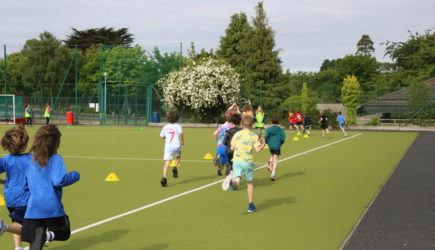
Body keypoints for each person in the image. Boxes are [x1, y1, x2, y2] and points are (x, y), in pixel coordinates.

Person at [21, 124, 80, 250]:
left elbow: (26, 183)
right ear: (56, 142)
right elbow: (58, 180)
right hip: (51, 207)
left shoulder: (31, 160)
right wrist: (74, 175)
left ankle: (41, 235)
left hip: (33, 208)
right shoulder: (56, 159)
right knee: (64, 232)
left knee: (35, 243)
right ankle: (47, 235)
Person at [222, 115, 265, 213]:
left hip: (236, 161)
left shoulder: (237, 134)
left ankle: (232, 182)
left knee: (237, 179)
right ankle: (250, 205)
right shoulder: (253, 136)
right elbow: (258, 150)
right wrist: (262, 144)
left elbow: (231, 148)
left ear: (241, 123)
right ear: (252, 125)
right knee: (249, 183)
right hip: (247, 162)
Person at [0, 125, 32, 250]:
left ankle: (18, 247)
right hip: (25, 199)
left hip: (10, 198)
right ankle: (3, 227)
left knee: (17, 222)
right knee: (33, 228)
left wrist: (4, 182)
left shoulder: (6, 160)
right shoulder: (31, 159)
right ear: (25, 142)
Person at [159, 111, 184, 187]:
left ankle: (164, 178)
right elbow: (181, 134)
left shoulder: (165, 127)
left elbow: (161, 136)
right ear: (177, 118)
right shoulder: (178, 126)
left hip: (168, 147)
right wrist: (182, 141)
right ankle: (175, 167)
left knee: (167, 162)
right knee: (178, 155)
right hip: (176, 145)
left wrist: (165, 136)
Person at [213, 111, 234, 176]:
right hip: (227, 146)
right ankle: (228, 173)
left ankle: (219, 169)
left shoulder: (222, 126)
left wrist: (217, 142)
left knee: (222, 160)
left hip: (220, 146)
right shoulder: (233, 127)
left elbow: (214, 133)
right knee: (229, 162)